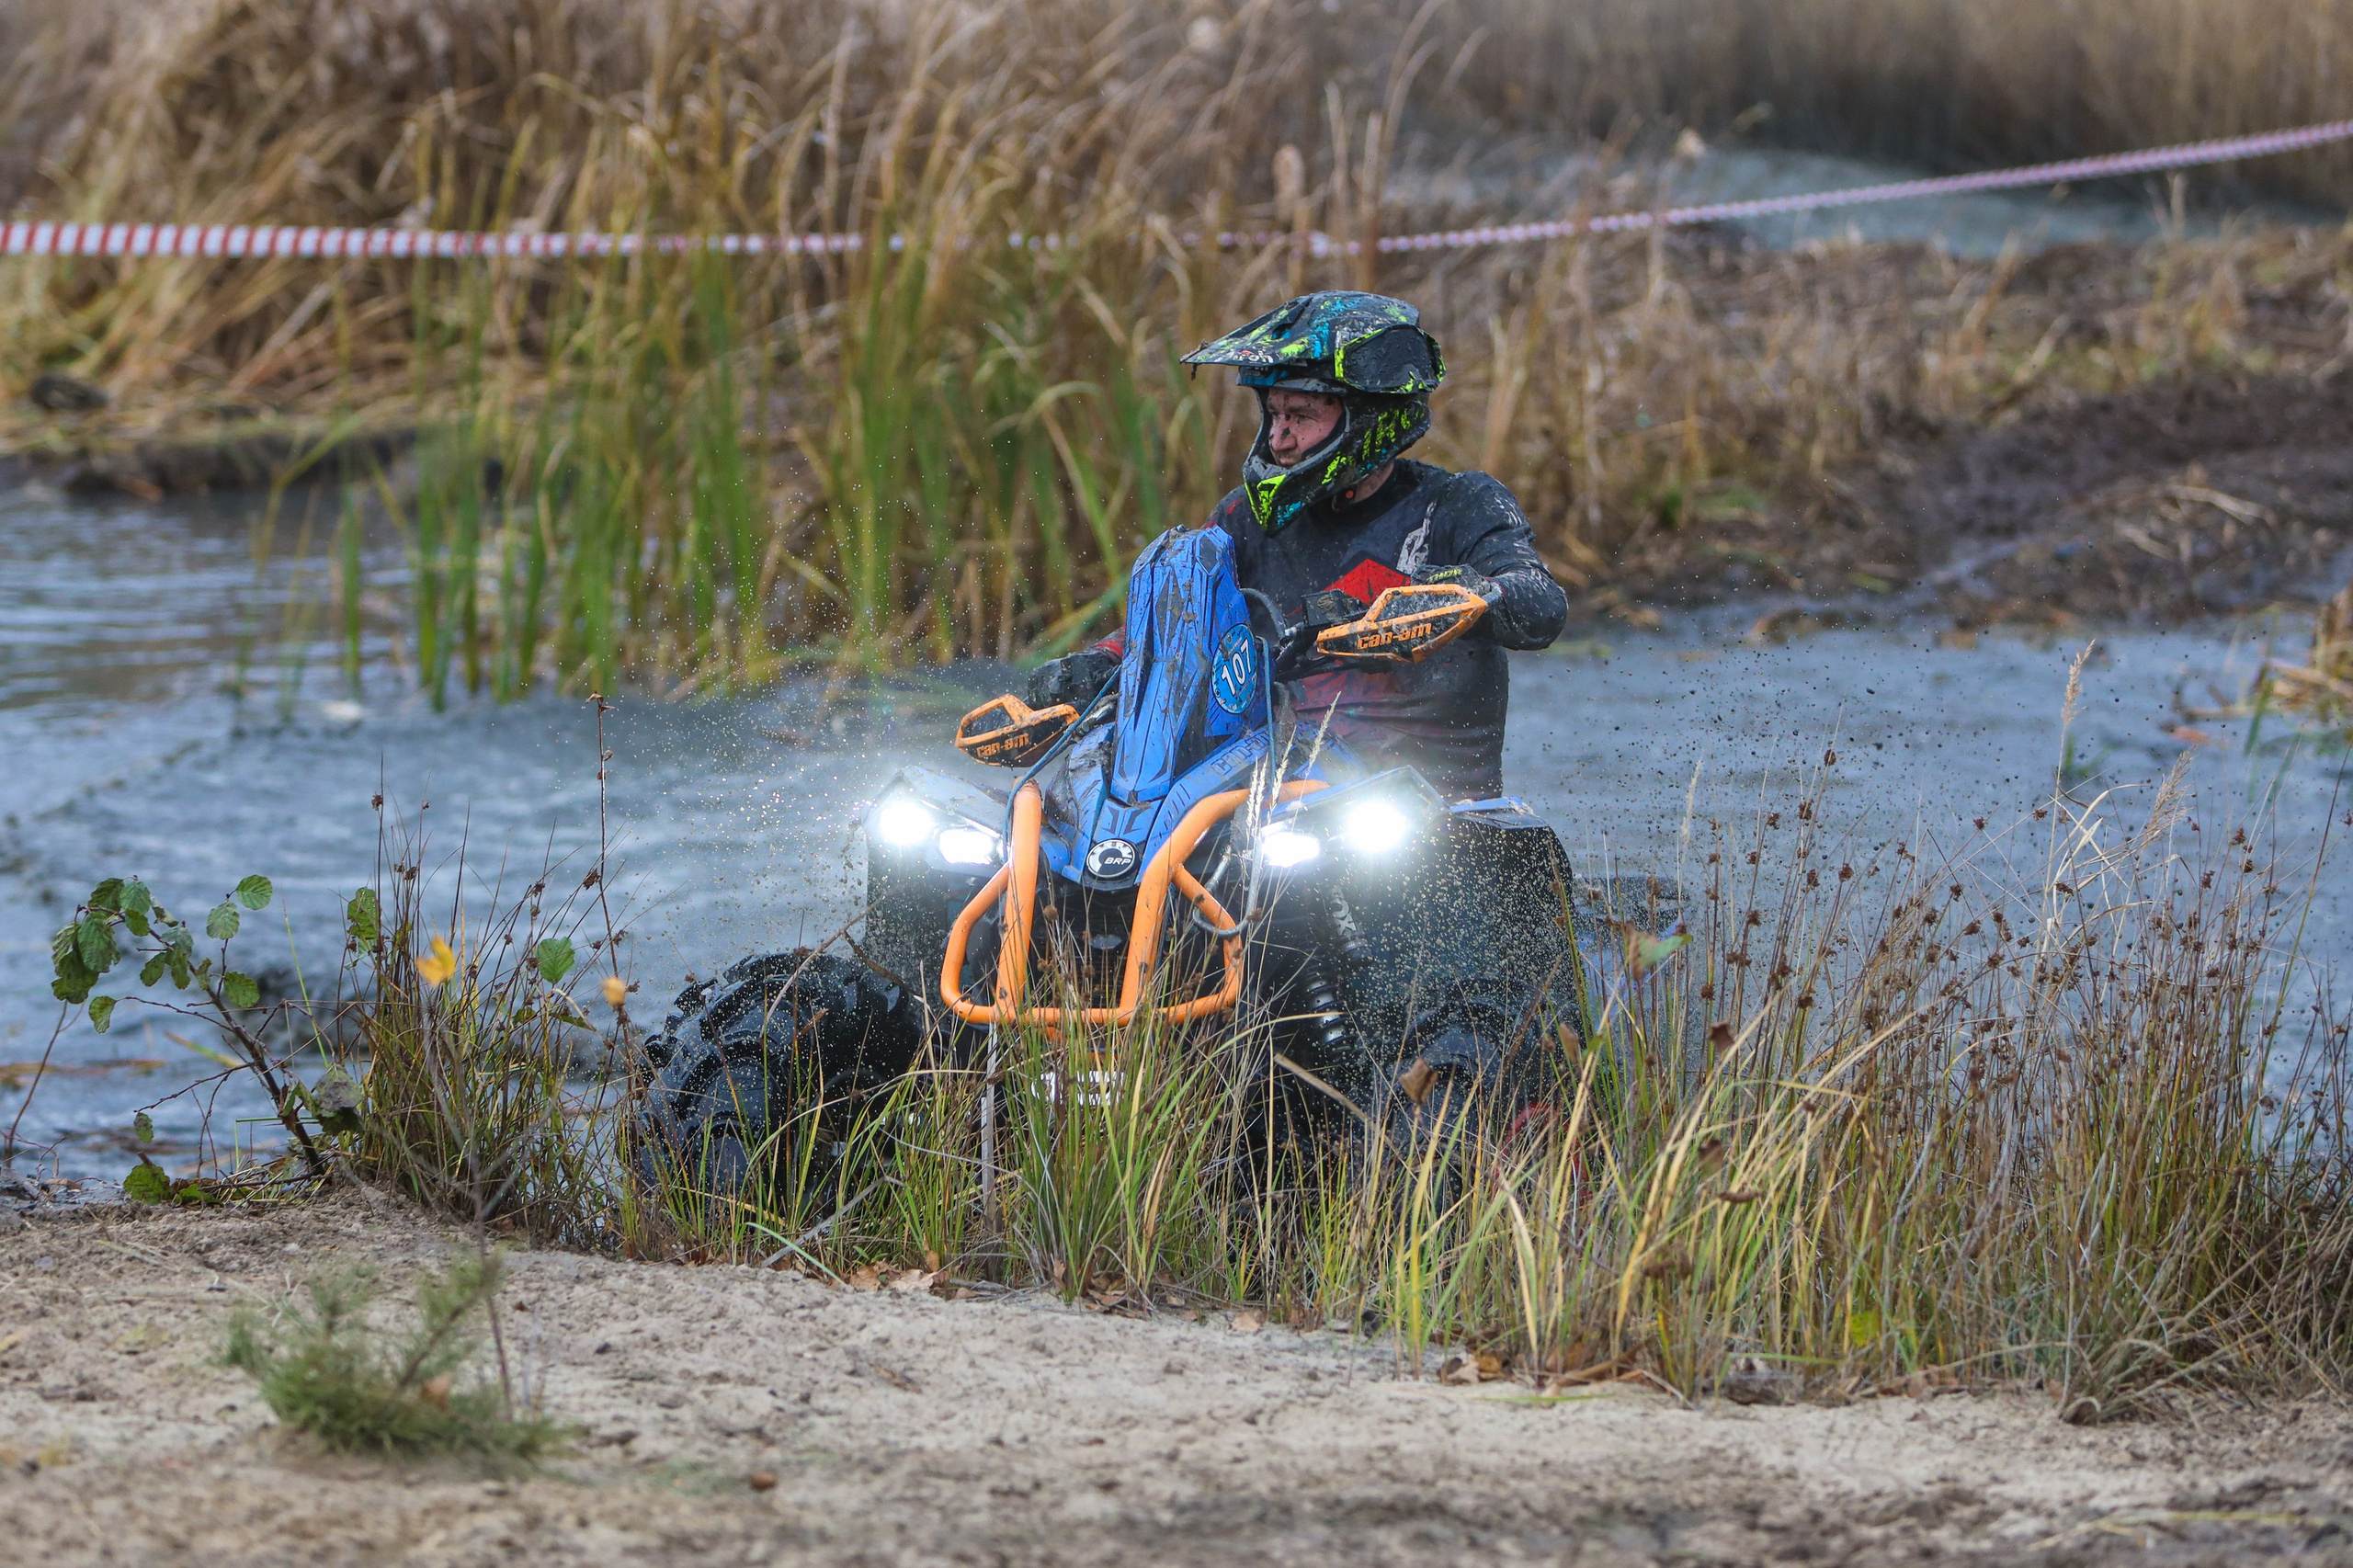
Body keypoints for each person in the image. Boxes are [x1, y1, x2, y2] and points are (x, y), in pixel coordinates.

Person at [1029, 290, 1567, 801]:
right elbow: (1182, 622)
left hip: (1422, 814)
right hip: (1277, 799)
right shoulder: (1243, 519)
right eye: (1275, 415)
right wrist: (1100, 664)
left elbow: (1539, 601)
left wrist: (1461, 595)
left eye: (1302, 417)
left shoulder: (1457, 504)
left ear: (1368, 417)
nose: (1280, 439)